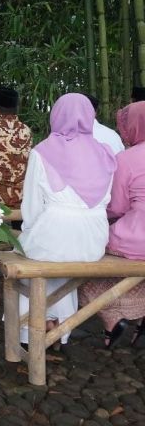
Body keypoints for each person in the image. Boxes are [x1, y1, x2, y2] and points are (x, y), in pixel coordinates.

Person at [12, 93, 117, 345]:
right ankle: (61, 329)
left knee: (35, 253)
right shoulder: (105, 152)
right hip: (93, 240)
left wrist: (29, 232)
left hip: (54, 231)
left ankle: (31, 330)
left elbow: (32, 207)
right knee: (59, 261)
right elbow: (108, 199)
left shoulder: (43, 152)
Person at [79, 101, 145, 348]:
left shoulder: (126, 159)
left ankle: (112, 319)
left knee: (91, 272)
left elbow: (116, 207)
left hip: (135, 238)